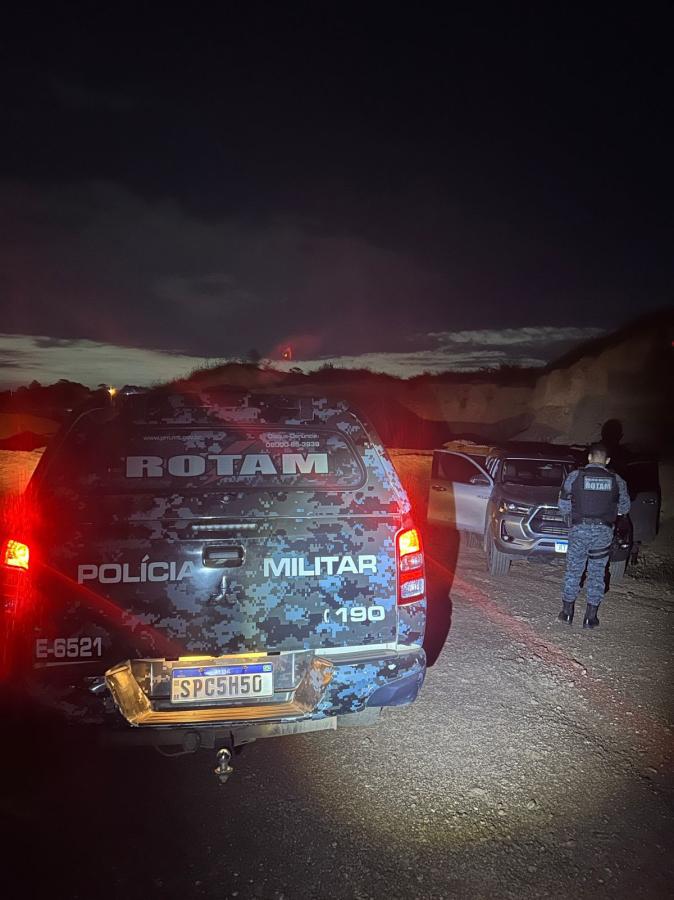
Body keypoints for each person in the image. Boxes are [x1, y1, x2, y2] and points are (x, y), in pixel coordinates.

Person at [557, 442, 630, 628]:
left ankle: (567, 613)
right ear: (607, 460)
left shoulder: (575, 476)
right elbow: (624, 508)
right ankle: (590, 618)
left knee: (573, 570)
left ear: (589, 457)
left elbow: (563, 505)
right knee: (597, 572)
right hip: (603, 532)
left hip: (579, 530)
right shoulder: (617, 480)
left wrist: (571, 520)